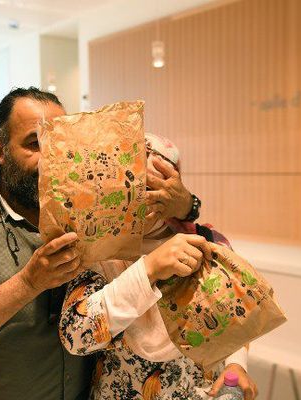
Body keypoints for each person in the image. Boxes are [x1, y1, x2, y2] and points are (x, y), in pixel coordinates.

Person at [0, 87, 225, 399]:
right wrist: (29, 283)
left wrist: (187, 205)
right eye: (34, 143)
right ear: (1, 151)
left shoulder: (94, 216)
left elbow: (170, 222)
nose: (50, 159)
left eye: (59, 143)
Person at [58, 133, 258, 400]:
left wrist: (236, 365)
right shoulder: (100, 253)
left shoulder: (204, 242)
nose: (143, 200)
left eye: (155, 188)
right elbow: (77, 335)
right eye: (131, 187)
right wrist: (149, 268)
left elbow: (234, 315)